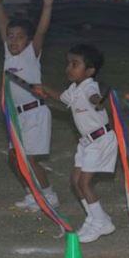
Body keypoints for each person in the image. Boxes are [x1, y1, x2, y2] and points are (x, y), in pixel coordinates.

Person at [33, 44, 118, 243]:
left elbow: (94, 97)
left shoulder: (89, 87)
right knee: (75, 181)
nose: (69, 68)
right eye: (69, 63)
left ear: (90, 71)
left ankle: (100, 222)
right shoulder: (74, 88)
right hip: (86, 142)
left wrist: (98, 101)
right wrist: (43, 88)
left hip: (100, 140)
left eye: (75, 64)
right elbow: (62, 98)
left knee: (84, 183)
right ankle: (95, 218)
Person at [0, 0, 59, 211]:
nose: (13, 40)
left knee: (29, 159)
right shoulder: (8, 54)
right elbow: (2, 24)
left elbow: (41, 30)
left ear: (29, 41)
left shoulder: (31, 53)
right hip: (16, 116)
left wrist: (47, 6)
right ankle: (32, 193)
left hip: (34, 113)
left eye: (19, 37)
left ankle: (49, 195)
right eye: (10, 36)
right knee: (14, 158)